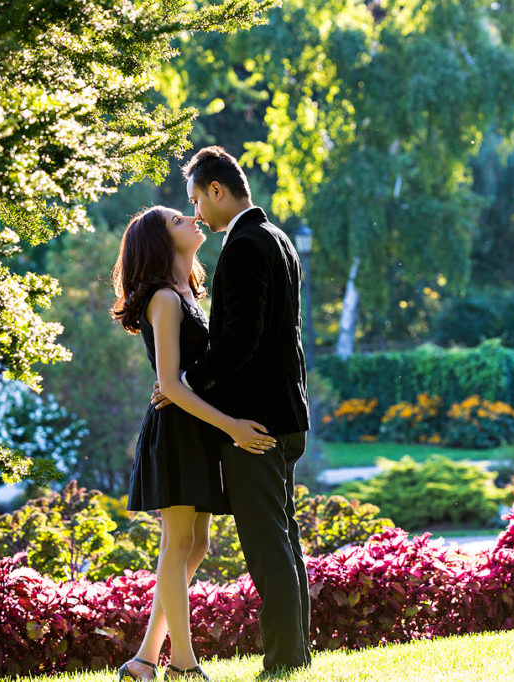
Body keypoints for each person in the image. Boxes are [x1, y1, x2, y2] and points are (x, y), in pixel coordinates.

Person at [153, 146, 312, 675]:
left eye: (197, 199)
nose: (197, 212)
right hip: (287, 415)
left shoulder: (244, 245)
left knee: (268, 547)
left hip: (254, 424)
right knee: (284, 538)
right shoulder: (279, 239)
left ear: (217, 190)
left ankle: (282, 662)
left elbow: (241, 337)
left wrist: (185, 381)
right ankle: (296, 655)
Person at [110, 206, 277, 682]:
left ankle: (144, 660)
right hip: (178, 431)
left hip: (195, 428)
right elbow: (171, 385)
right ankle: (182, 664)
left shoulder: (188, 292)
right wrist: (232, 427)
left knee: (195, 543)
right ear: (163, 243)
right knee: (178, 541)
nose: (192, 218)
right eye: (178, 221)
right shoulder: (164, 298)